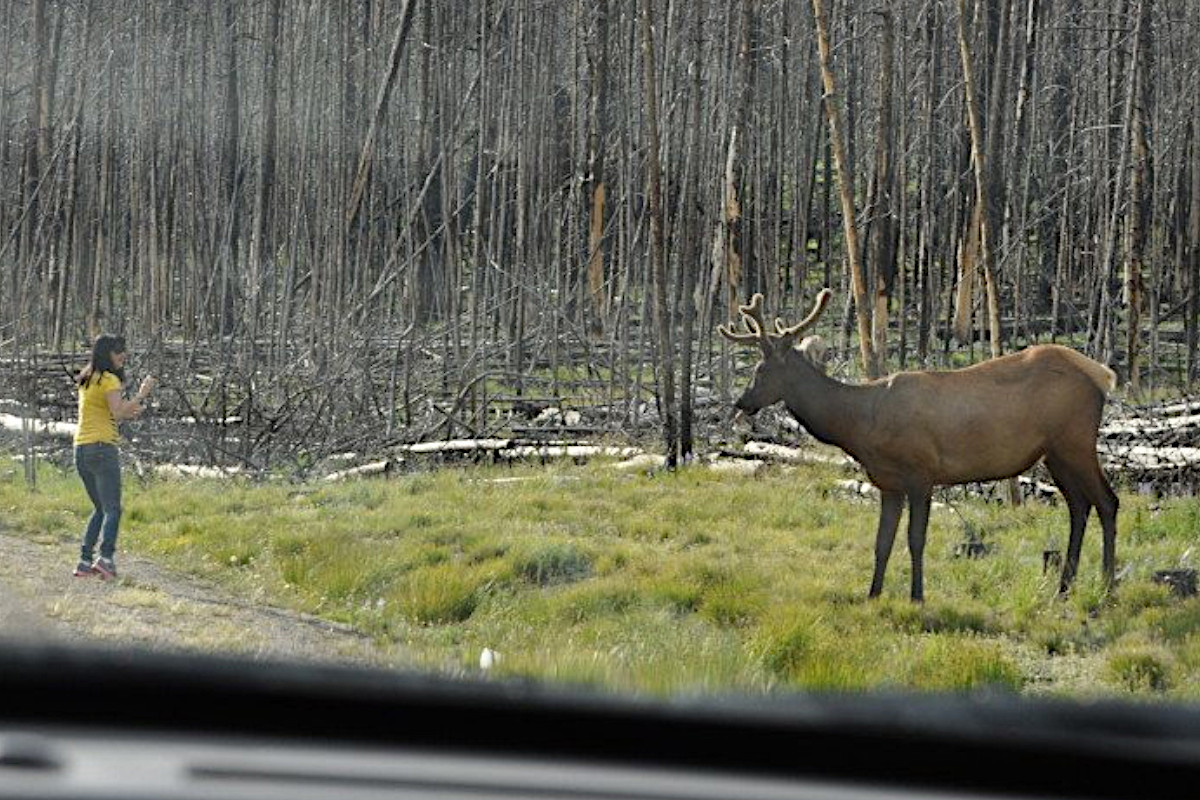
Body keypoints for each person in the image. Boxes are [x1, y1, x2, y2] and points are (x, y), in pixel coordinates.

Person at [71, 334, 156, 580]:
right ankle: (105, 560)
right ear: (107, 353)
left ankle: (85, 562)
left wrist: (129, 410)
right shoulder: (108, 379)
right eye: (119, 351)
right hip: (102, 447)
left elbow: (108, 411)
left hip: (82, 448)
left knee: (99, 508)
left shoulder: (88, 378)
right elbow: (118, 413)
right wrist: (142, 394)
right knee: (113, 508)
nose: (124, 355)